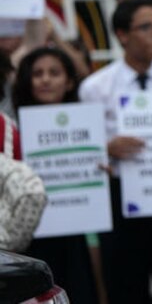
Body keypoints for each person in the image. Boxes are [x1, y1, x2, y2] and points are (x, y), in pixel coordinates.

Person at [79, 0, 152, 304]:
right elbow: (84, 150)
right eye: (146, 27)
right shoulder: (95, 87)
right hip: (121, 200)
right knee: (126, 288)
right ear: (122, 35)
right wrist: (107, 148)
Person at [13, 47, 98, 304]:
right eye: (37, 74)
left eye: (54, 73)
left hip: (77, 229)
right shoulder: (12, 128)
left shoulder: (89, 124)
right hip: (34, 234)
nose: (46, 79)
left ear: (69, 81)